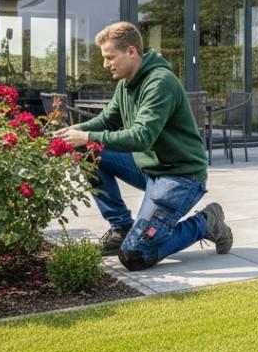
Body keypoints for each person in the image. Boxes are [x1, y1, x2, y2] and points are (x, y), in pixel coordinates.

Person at [54, 21, 232, 271]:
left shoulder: (160, 83)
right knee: (87, 149)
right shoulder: (125, 84)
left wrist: (89, 136)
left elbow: (141, 137)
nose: (105, 64)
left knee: (135, 255)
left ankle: (206, 222)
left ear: (130, 52)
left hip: (180, 177)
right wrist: (76, 132)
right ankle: (121, 227)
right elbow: (107, 120)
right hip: (149, 169)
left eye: (109, 57)